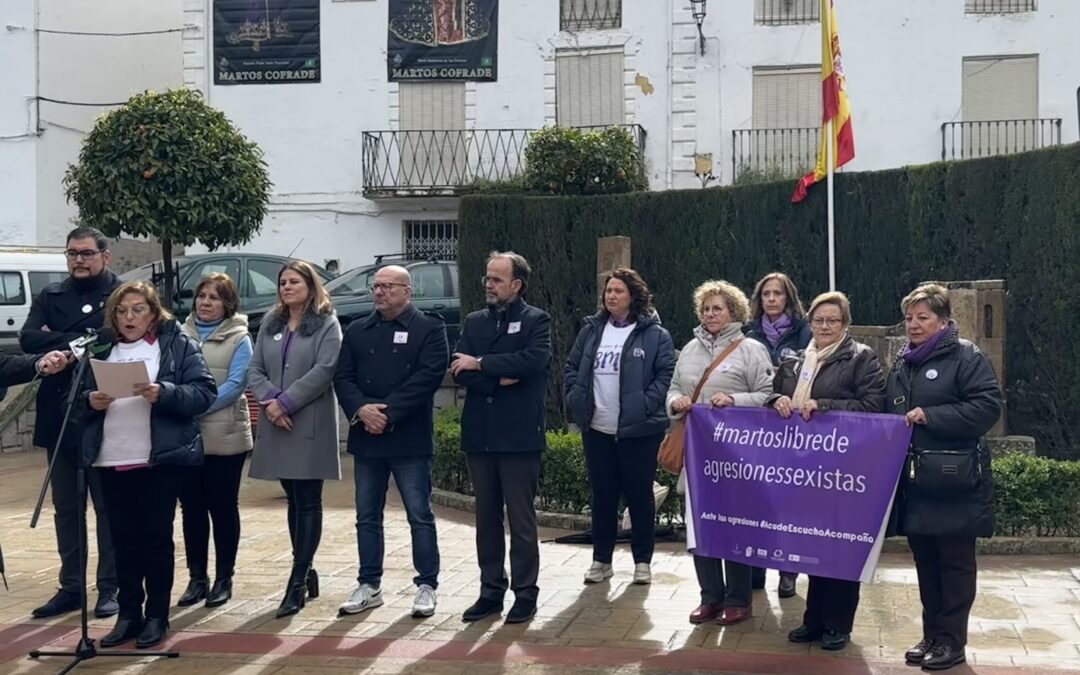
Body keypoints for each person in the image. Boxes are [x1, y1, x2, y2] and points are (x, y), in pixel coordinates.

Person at [81, 281, 216, 649]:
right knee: (122, 540)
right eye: (122, 311)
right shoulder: (101, 348)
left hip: (159, 459)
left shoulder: (176, 344)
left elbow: (204, 392)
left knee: (155, 539)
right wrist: (90, 400)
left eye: (138, 309)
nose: (129, 317)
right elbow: (73, 401)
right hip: (112, 458)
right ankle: (128, 615)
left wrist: (164, 392)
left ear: (153, 313)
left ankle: (157, 615)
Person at [886, 284, 1001, 671]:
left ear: (943, 321)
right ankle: (932, 635)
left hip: (955, 482)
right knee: (926, 564)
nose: (913, 325)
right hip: (917, 483)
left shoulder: (967, 356)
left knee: (954, 565)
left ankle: (953, 641)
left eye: (923, 318)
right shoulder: (903, 363)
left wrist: (932, 416)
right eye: (909, 318)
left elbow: (987, 407)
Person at [769, 291, 886, 651]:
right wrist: (776, 400)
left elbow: (873, 406)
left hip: (843, 470)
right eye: (818, 320)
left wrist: (825, 405)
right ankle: (815, 619)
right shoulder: (795, 360)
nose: (824, 326)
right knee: (812, 544)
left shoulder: (861, 358)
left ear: (845, 324)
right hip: (802, 470)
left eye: (832, 320)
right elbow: (771, 396)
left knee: (841, 548)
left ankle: (838, 624)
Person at [334, 266, 449, 618]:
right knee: (367, 515)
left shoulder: (429, 328)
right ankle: (369, 584)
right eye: (377, 286)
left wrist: (387, 413)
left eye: (388, 286)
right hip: (367, 437)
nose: (380, 292)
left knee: (419, 514)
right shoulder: (358, 329)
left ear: (407, 291)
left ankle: (427, 584)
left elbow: (428, 376)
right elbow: (343, 377)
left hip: (408, 437)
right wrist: (360, 410)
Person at [20, 226, 122, 619]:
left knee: (107, 509)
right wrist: (80, 341)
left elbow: (114, 336)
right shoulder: (51, 295)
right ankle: (71, 587)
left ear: (105, 256)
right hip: (59, 414)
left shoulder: (121, 295)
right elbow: (29, 339)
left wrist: (64, 342)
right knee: (66, 507)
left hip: (104, 411)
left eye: (86, 253)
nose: (78, 260)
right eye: (72, 254)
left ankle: (110, 587)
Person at [450, 251, 551, 625]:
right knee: (486, 519)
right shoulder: (475, 321)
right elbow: (458, 369)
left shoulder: (536, 320)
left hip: (519, 435)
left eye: (497, 279)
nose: (489, 285)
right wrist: (496, 378)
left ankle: (525, 594)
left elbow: (533, 361)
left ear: (516, 285)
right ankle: (490, 591)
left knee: (521, 522)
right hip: (480, 433)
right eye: (487, 278)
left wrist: (482, 363)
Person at [666, 280, 773, 626]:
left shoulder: (751, 350)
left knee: (734, 526)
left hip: (736, 457)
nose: (710, 314)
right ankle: (710, 596)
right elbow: (673, 388)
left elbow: (767, 395)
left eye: (718, 308)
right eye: (706, 309)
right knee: (700, 526)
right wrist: (675, 402)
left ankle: (738, 599)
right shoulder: (688, 349)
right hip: (698, 455)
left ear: (734, 312)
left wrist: (734, 399)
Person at [563, 268, 674, 586]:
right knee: (603, 497)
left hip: (639, 431)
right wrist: (575, 397)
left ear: (633, 296)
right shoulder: (592, 330)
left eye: (618, 291)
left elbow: (666, 373)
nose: (611, 296)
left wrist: (645, 406)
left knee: (640, 497)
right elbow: (572, 366)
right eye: (608, 291)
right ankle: (601, 560)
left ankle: (642, 562)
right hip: (597, 429)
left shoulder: (655, 334)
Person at [248, 260, 342, 619]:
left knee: (308, 499)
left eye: (294, 282)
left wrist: (286, 402)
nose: (287, 287)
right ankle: (306, 567)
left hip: (308, 420)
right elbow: (255, 368)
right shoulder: (271, 323)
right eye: (283, 282)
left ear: (310, 286)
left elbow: (325, 369)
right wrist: (272, 401)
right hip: (277, 421)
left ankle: (297, 579)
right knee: (292, 497)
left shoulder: (326, 323)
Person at [177, 273, 253, 609]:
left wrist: (195, 404)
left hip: (225, 436)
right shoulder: (180, 334)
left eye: (215, 297)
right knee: (191, 509)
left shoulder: (240, 337)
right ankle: (197, 577)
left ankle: (224, 578)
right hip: (187, 437)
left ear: (228, 304)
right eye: (202, 296)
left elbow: (236, 384)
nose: (206, 303)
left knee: (222, 508)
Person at [743, 272, 812, 599]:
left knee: (788, 502)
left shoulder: (805, 332)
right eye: (766, 294)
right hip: (755, 428)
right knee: (755, 499)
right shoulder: (748, 332)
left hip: (791, 427)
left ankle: (788, 570)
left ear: (789, 298)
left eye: (778, 293)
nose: (771, 299)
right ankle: (756, 566)